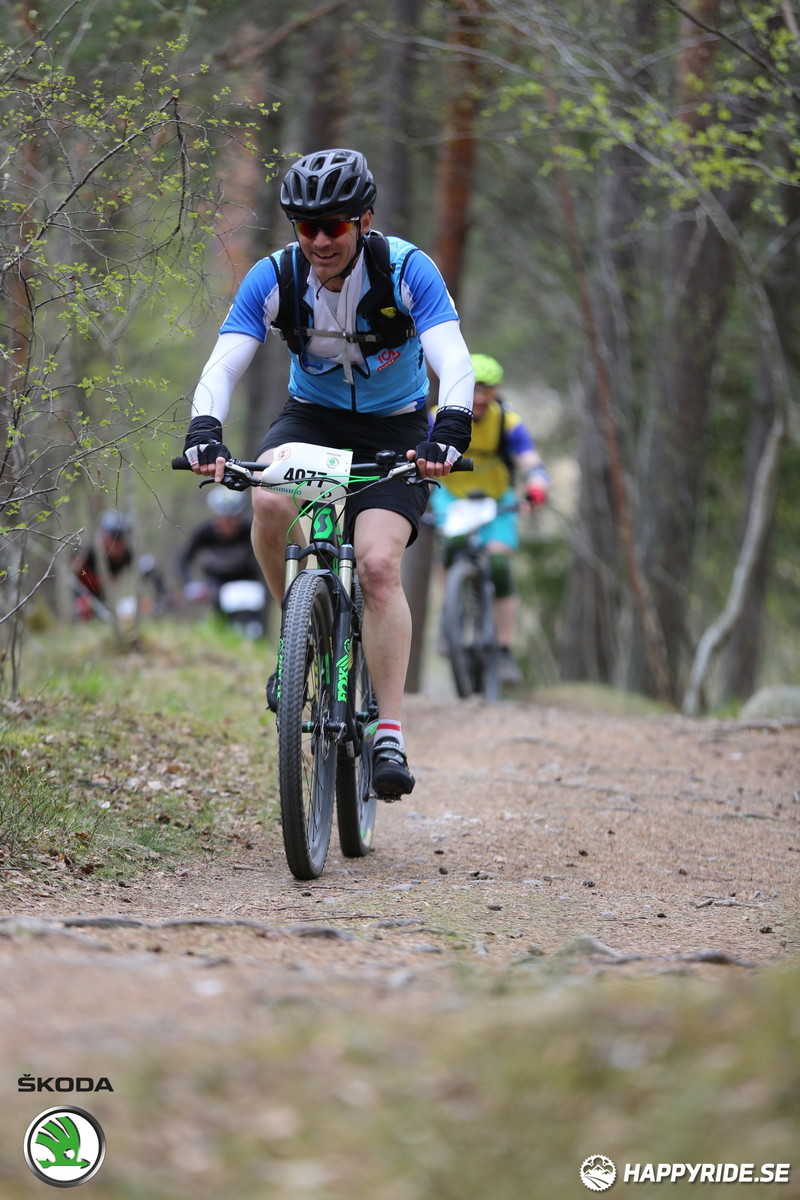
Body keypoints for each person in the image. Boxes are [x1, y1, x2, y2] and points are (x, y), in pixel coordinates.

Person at [182, 148, 474, 797]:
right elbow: (222, 365)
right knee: (266, 503)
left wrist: (451, 424)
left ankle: (389, 734)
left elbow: (453, 359)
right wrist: (205, 427)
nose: (318, 240)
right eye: (305, 226)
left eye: (334, 225)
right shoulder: (276, 277)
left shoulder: (407, 270)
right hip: (309, 420)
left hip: (397, 427)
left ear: (363, 221)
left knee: (376, 564)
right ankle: (298, 639)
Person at [429, 353, 549, 683]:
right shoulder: (438, 417)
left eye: (487, 391)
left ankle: (504, 649)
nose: (479, 400)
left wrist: (537, 485)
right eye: (474, 391)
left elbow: (530, 461)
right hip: (453, 497)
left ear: (495, 392)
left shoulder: (507, 421)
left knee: (498, 563)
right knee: (451, 547)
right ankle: (449, 617)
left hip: (497, 499)